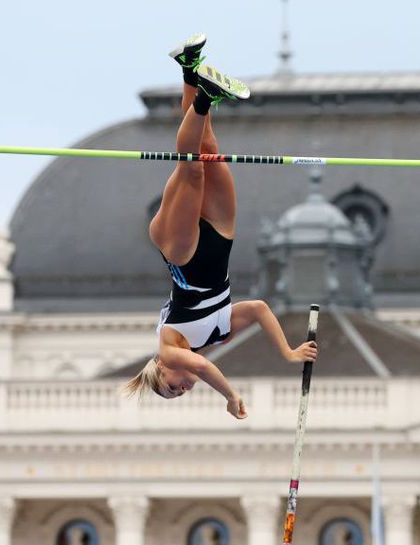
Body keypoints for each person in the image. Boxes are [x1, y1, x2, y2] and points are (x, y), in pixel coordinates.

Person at [123, 34, 317, 418]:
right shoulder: (219, 331)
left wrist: (230, 395)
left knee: (192, 167)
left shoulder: (169, 349)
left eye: (173, 386)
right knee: (209, 149)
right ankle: (190, 67)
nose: (184, 387)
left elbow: (204, 367)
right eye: (181, 393)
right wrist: (288, 352)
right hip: (219, 237)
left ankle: (206, 98)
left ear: (161, 369)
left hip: (179, 251)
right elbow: (260, 309)